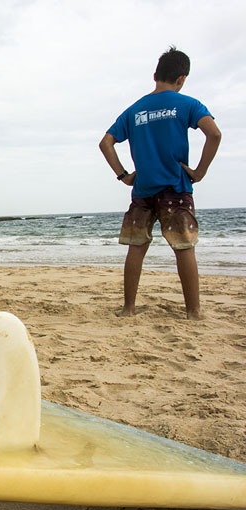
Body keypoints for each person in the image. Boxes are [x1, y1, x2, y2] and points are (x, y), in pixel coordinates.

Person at [99, 46, 221, 320]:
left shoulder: (134, 110)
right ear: (181, 79)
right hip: (175, 187)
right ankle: (193, 312)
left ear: (155, 75)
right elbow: (214, 134)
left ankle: (128, 308)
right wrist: (199, 171)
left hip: (142, 189)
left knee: (136, 247)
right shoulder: (188, 104)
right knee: (183, 247)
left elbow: (105, 142)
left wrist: (123, 175)